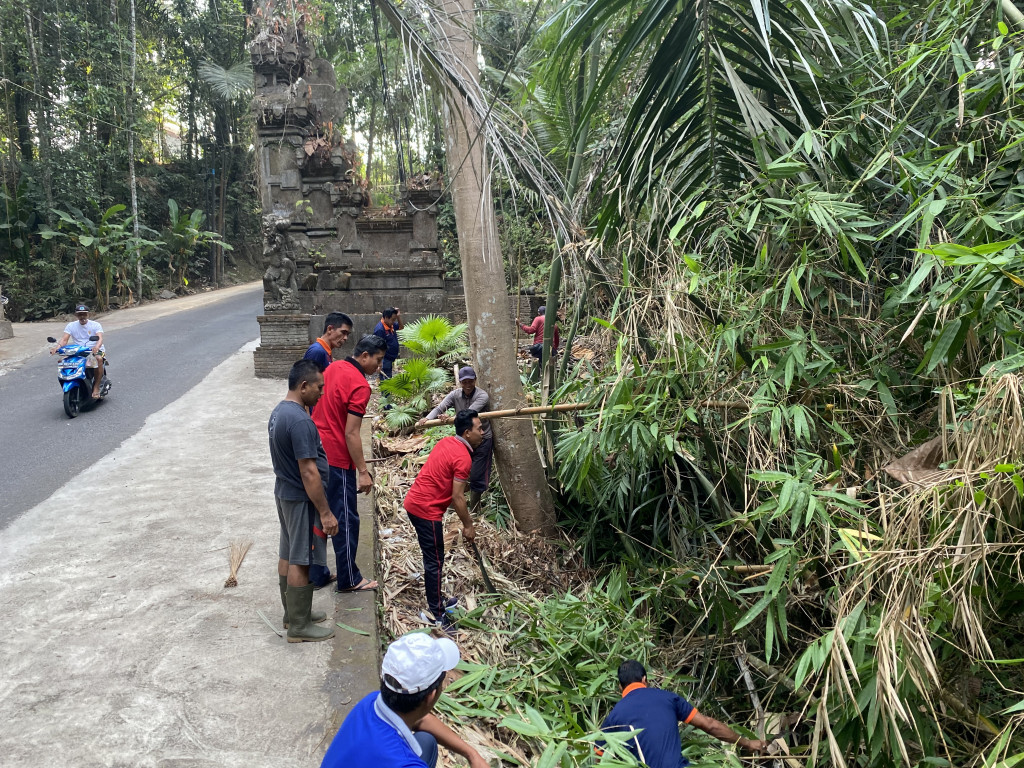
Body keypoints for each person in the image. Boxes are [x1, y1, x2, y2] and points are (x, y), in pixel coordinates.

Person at [320, 632, 489, 768]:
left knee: (426, 742)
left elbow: (421, 720)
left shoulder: (370, 703)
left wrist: (471, 754)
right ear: (431, 697)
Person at [268, 360, 340, 643]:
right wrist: (325, 512)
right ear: (303, 386)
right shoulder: (299, 420)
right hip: (300, 499)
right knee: (302, 558)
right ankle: (298, 627)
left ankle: (293, 614)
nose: (322, 392)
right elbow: (309, 471)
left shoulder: (280, 412)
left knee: (288, 553)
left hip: (285, 493)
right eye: (319, 387)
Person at [309, 334, 387, 592]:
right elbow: (352, 433)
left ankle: (317, 572)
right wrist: (363, 472)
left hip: (316, 449)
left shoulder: (333, 368)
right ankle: (349, 578)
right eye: (377, 361)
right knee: (346, 519)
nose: (378, 368)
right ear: (364, 356)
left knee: (319, 514)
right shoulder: (360, 386)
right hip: (337, 458)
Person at [404, 409, 485, 632]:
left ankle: (436, 600)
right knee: (435, 560)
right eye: (479, 429)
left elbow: (446, 488)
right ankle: (436, 614)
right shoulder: (463, 458)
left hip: (416, 502)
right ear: (467, 433)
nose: (483, 432)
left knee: (434, 557)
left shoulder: (448, 442)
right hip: (425, 509)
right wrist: (468, 525)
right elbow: (457, 497)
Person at [599, 660, 767, 767]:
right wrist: (747, 743)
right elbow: (709, 725)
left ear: (620, 687)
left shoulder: (613, 718)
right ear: (644, 680)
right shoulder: (667, 698)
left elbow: (598, 758)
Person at [415, 367, 493, 514]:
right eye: (464, 382)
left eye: (471, 381)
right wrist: (428, 418)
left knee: (477, 474)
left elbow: (468, 414)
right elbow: (440, 408)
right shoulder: (455, 394)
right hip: (465, 440)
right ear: (460, 383)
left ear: (475, 380)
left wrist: (450, 418)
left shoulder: (482, 395)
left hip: (482, 439)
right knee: (457, 470)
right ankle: (453, 505)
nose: (468, 385)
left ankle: (475, 510)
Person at [53, 304, 105, 398]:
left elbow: (100, 338)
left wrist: (97, 346)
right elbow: (64, 339)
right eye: (80, 314)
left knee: (98, 359)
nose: (82, 316)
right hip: (78, 351)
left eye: (84, 314)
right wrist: (57, 348)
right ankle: (73, 382)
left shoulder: (95, 325)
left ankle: (96, 387)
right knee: (62, 361)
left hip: (93, 350)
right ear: (76, 315)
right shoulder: (71, 326)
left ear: (88, 314)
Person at [372, 307, 402, 379]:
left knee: (389, 378)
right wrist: (379, 364)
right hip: (385, 359)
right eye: (393, 319)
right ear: (386, 318)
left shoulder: (391, 325)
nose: (394, 322)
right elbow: (377, 347)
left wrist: (398, 317)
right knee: (385, 380)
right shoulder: (380, 329)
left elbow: (401, 327)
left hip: (390, 357)